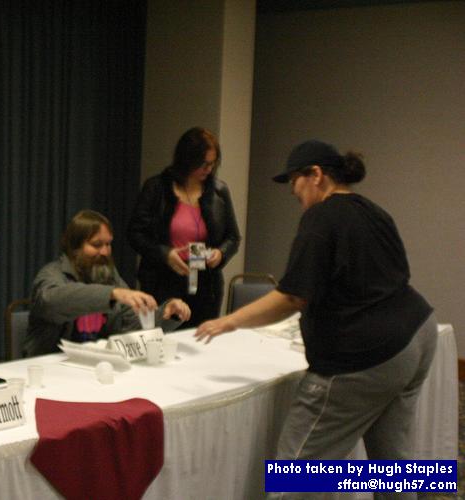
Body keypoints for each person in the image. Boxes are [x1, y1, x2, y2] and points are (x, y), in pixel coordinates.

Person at [195, 140, 437, 498]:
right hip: (418, 334)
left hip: (365, 358)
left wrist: (229, 321)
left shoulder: (321, 217)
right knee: (394, 466)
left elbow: (292, 296)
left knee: (297, 478)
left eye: (295, 182)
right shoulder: (374, 211)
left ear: (316, 176)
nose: (294, 193)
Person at [24, 209, 191, 357]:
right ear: (74, 247)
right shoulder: (52, 274)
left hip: (97, 366)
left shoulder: (109, 277)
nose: (105, 252)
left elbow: (131, 324)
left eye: (108, 244)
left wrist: (164, 314)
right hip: (52, 368)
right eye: (96, 245)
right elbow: (51, 301)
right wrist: (111, 294)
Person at [128, 127, 240, 328]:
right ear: (187, 160)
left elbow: (233, 237)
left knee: (200, 340)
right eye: (203, 164)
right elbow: (135, 233)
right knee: (160, 340)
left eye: (212, 164)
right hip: (162, 280)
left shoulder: (219, 191)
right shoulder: (157, 188)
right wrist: (165, 254)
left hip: (205, 284)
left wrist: (220, 254)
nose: (208, 169)